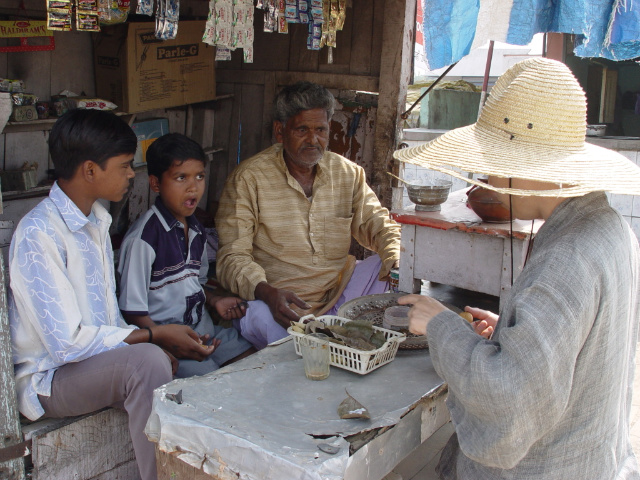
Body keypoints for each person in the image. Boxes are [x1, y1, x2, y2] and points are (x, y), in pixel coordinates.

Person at [394, 57, 640, 479]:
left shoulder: (570, 257)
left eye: (492, 163)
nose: (487, 177)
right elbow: (568, 351)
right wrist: (511, 327)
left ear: (522, 166)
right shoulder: (611, 228)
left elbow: (509, 397)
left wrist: (442, 325)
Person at [8, 110, 221, 480]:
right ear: (90, 170)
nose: (130, 174)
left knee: (160, 361)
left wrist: (152, 345)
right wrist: (152, 337)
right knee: (147, 362)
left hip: (88, 365)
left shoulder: (97, 220)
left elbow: (108, 319)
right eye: (124, 165)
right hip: (50, 379)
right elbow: (67, 345)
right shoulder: (39, 233)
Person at [215, 81, 401, 350]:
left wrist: (395, 261)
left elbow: (381, 227)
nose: (313, 140)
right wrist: (267, 293)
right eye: (302, 130)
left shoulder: (348, 173)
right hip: (278, 304)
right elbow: (232, 257)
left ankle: (335, 336)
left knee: (386, 268)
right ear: (280, 131)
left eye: (320, 130)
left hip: (338, 295)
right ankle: (318, 349)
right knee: (258, 317)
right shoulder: (249, 179)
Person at [117, 133, 255, 378]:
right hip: (166, 342)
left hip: (204, 331)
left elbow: (195, 285)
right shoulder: (144, 239)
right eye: (181, 178)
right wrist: (168, 342)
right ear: (156, 184)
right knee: (212, 381)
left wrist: (213, 301)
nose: (193, 187)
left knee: (254, 360)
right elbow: (132, 311)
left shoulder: (197, 229)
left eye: (199, 176)